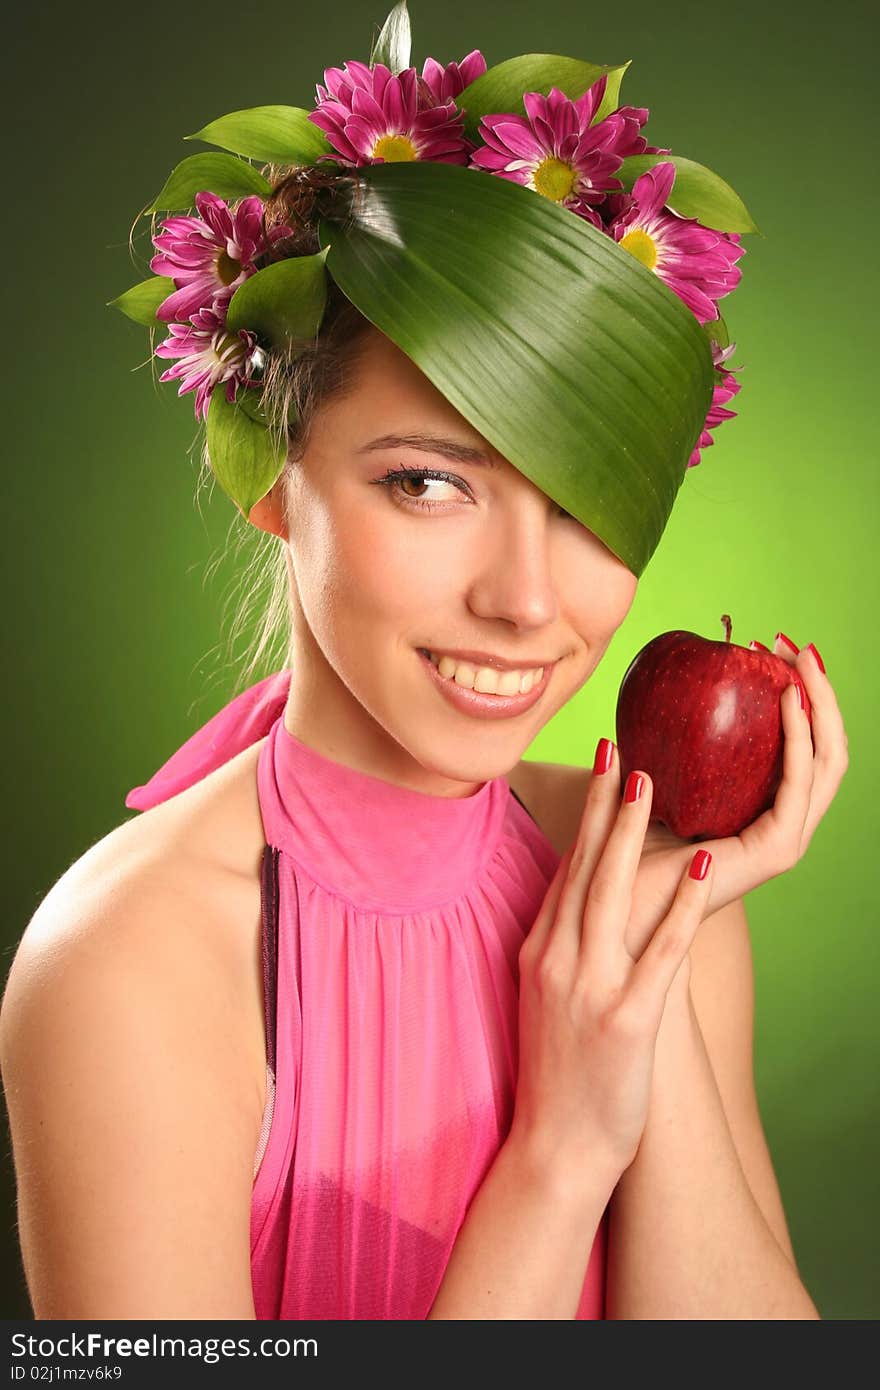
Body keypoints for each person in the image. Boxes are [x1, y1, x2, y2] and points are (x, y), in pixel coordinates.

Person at [0, 6, 849, 1320]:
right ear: (273, 479)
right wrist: (561, 1156)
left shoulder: (640, 870)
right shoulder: (129, 963)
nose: (524, 601)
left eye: (587, 502)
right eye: (426, 483)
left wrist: (657, 943)